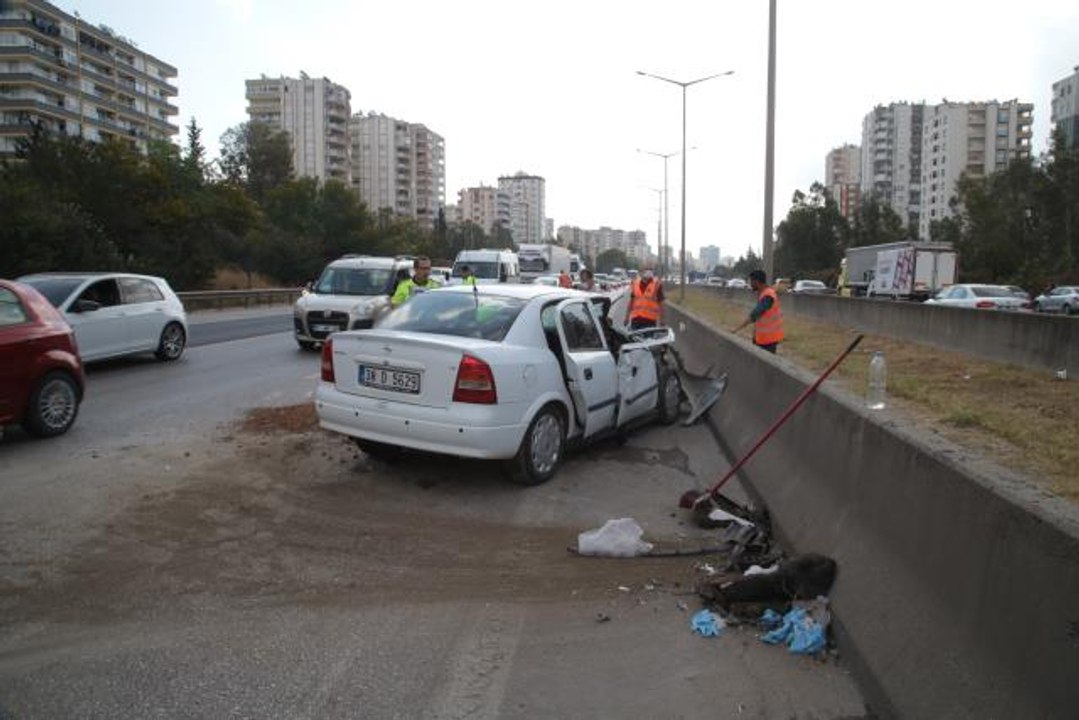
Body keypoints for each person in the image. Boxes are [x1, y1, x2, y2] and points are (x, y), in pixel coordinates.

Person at [731, 269, 784, 353]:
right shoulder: (765, 293)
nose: (750, 284)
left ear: (756, 282)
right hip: (764, 338)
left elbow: (754, 315)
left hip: (768, 340)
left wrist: (736, 329)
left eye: (751, 281)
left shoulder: (768, 296)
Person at [625, 265, 665, 330]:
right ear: (641, 272)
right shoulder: (635, 284)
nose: (648, 272)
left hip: (650, 320)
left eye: (650, 270)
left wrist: (662, 319)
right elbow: (631, 302)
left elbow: (662, 303)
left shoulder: (656, 285)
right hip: (636, 319)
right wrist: (627, 317)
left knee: (649, 339)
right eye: (646, 269)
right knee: (635, 339)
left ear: (653, 272)